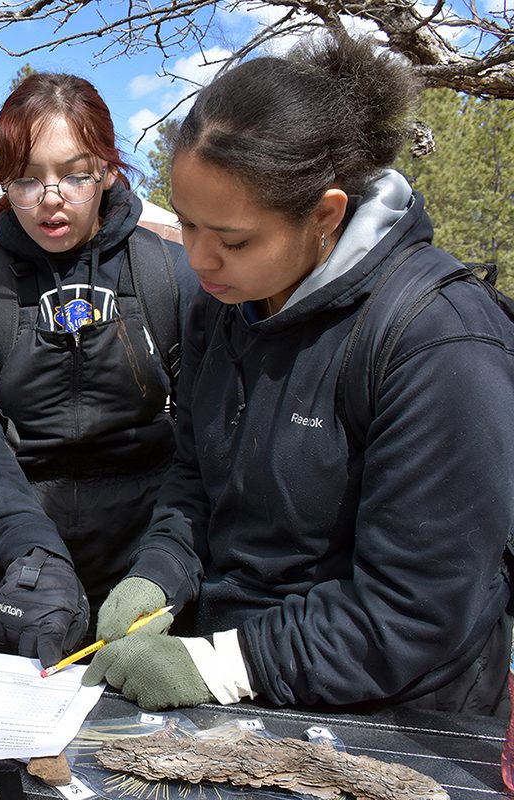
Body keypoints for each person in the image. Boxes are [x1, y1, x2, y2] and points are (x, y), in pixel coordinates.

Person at [83, 37, 514, 715]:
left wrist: (223, 665)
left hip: (398, 714)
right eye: (188, 226)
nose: (200, 260)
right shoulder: (219, 308)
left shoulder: (436, 339)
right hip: (236, 684)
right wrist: (161, 570)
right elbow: (196, 476)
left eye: (233, 239)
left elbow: (417, 606)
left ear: (326, 215)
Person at [0, 72, 196, 671]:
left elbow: (206, 437)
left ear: (107, 169)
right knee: (5, 753)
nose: (52, 197)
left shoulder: (170, 276)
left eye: (75, 174)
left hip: (141, 557)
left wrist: (166, 565)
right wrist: (32, 554)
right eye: (26, 178)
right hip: (9, 563)